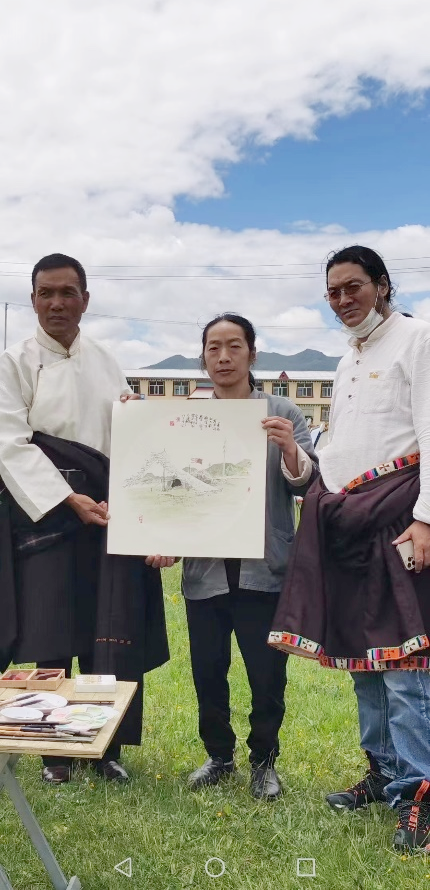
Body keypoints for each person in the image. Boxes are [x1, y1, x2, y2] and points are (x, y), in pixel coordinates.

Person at [269, 245, 430, 852]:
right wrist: (299, 459)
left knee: (407, 668)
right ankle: (384, 773)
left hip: (400, 516)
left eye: (353, 286)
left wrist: (426, 520)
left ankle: (420, 795)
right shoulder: (346, 359)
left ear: (382, 285)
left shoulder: (418, 340)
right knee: (365, 660)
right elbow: (338, 449)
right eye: (333, 291)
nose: (342, 300)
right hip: (349, 520)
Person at [0, 253, 169, 784]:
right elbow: (9, 443)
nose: (57, 303)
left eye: (67, 293)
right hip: (46, 517)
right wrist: (65, 497)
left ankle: (104, 747)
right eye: (46, 293)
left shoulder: (105, 361)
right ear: (32, 300)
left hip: (106, 514)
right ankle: (54, 753)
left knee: (107, 628)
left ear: (86, 300)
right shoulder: (14, 362)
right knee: (49, 633)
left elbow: (126, 438)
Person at [181, 313, 317, 799]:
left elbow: (306, 484)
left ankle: (264, 762)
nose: (223, 357)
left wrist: (289, 449)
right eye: (213, 348)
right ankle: (219, 755)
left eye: (234, 346)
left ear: (252, 354)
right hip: (206, 570)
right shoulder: (187, 417)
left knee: (266, 674)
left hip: (265, 568)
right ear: (203, 358)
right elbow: (173, 488)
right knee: (208, 669)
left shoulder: (282, 411)